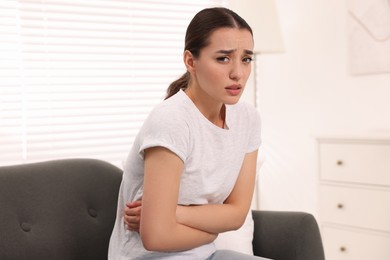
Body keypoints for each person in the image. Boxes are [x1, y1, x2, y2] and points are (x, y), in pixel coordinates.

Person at [108, 7, 268, 260]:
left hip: (207, 255)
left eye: (246, 59)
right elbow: (156, 237)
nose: (238, 73)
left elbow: (236, 214)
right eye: (223, 58)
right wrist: (212, 231)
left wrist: (173, 213)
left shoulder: (248, 119)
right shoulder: (171, 120)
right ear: (190, 61)